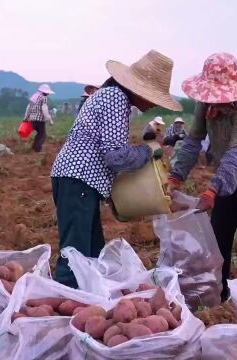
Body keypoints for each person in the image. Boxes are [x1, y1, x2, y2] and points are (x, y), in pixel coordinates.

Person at [50, 50, 182, 288]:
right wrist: (149, 150)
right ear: (139, 88)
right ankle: (60, 311)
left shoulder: (112, 97)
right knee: (75, 259)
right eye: (153, 97)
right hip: (78, 180)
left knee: (91, 256)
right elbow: (116, 157)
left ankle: (82, 306)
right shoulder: (115, 98)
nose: (152, 104)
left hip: (80, 182)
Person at [168, 52, 237, 302]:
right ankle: (221, 297)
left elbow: (235, 153)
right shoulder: (204, 104)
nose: (212, 102)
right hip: (225, 178)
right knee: (218, 242)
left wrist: (212, 191)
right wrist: (175, 175)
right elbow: (193, 140)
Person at [24, 84, 54, 153]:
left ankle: (34, 148)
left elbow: (28, 107)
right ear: (45, 92)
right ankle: (37, 150)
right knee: (43, 135)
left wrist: (26, 117)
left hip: (32, 119)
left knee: (39, 134)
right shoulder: (44, 98)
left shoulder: (34, 97)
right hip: (39, 119)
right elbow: (44, 109)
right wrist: (49, 119)